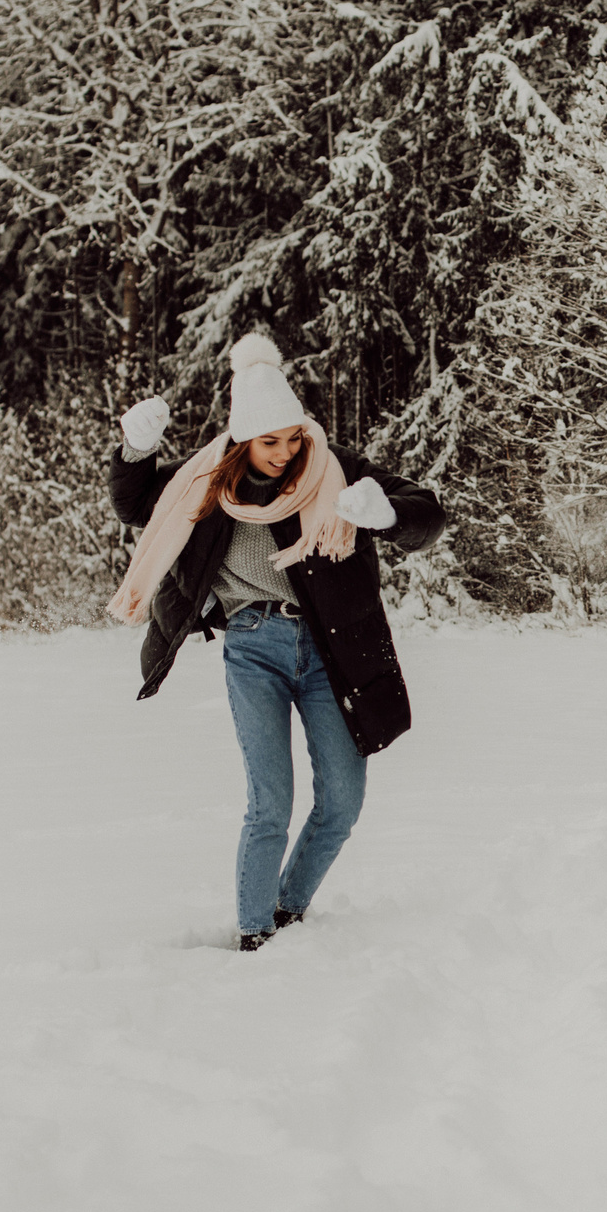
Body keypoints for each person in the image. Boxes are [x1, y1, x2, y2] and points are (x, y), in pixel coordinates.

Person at [108, 333, 445, 950]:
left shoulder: (331, 469)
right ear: (242, 440)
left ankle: (289, 908)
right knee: (270, 803)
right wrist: (135, 449)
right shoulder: (206, 483)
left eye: (294, 437)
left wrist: (387, 514)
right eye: (271, 442)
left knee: (342, 802)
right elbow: (136, 506)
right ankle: (255, 934)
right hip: (252, 646)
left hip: (331, 652)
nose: (287, 452)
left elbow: (426, 510)